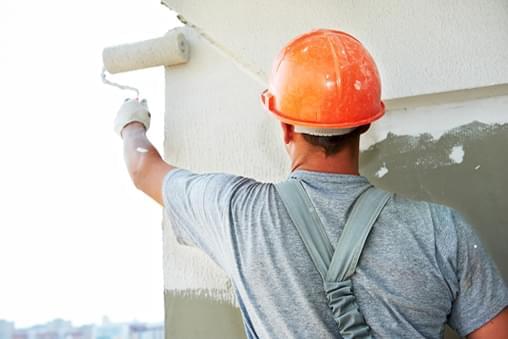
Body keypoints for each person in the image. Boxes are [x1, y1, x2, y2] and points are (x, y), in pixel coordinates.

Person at [113, 29, 508, 338]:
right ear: (366, 123)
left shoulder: (238, 213)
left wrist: (132, 121)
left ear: (285, 127)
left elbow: (142, 169)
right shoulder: (443, 232)